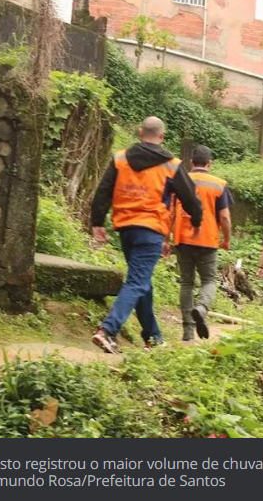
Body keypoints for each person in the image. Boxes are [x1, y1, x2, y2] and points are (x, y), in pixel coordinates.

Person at [90, 116, 202, 354]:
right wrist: (196, 221)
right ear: (161, 136)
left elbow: (103, 190)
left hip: (125, 229)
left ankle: (153, 336)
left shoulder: (120, 159)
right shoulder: (171, 164)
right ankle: (107, 330)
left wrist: (97, 221)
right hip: (150, 230)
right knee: (137, 282)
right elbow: (191, 198)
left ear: (141, 132)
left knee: (142, 282)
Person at [171, 145, 233, 342]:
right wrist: (227, 239)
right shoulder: (218, 185)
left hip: (183, 240)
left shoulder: (180, 180)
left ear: (191, 163)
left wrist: (166, 238)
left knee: (186, 283)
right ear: (209, 164)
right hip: (208, 240)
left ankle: (188, 331)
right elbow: (224, 217)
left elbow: (170, 213)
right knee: (208, 281)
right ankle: (202, 307)